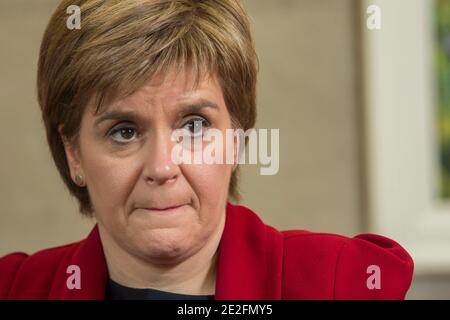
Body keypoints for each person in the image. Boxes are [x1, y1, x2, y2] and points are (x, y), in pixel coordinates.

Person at [0, 0, 413, 300]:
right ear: (74, 154)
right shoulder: (15, 288)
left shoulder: (340, 284)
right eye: (124, 131)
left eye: (194, 126)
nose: (162, 167)